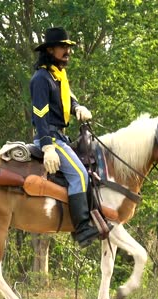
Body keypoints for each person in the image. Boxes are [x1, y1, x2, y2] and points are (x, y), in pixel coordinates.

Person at [30, 27, 98, 248]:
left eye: (69, 47)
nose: (68, 51)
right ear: (50, 50)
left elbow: (68, 97)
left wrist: (78, 107)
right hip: (49, 137)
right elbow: (40, 115)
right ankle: (82, 229)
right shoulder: (41, 78)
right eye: (63, 47)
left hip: (61, 135)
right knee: (80, 175)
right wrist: (48, 147)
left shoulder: (58, 75)